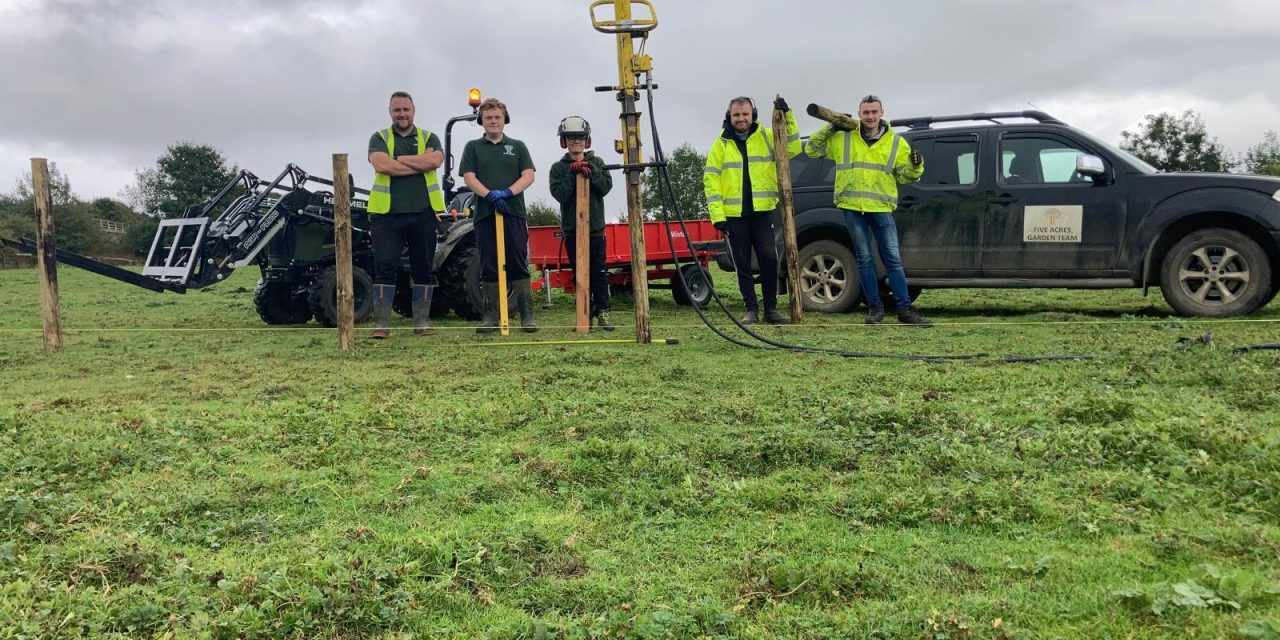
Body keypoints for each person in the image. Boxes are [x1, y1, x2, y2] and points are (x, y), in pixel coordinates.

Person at [805, 94, 931, 326]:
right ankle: (875, 308)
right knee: (864, 259)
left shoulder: (896, 143)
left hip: (881, 207)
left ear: (882, 113)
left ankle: (904, 309)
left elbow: (906, 176)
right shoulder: (844, 138)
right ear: (860, 113)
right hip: (852, 207)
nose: (870, 116)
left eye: (874, 112)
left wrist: (916, 164)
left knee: (892, 259)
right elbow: (812, 149)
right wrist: (831, 127)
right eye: (866, 112)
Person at [703, 96, 801, 325]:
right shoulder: (721, 144)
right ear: (730, 116)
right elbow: (711, 179)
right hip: (734, 215)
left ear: (753, 114)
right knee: (743, 264)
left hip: (762, 211)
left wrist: (788, 117)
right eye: (736, 115)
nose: (741, 119)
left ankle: (771, 309)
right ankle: (751, 310)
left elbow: (793, 148)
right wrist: (717, 215)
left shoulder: (767, 136)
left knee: (768, 259)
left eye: (745, 114)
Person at [366, 90, 445, 339]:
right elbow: (382, 165)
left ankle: (421, 323)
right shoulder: (378, 138)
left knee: (423, 268)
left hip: (423, 213)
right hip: (387, 215)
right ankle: (382, 325)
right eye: (397, 110)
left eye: (405, 109)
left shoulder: (428, 136)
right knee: (385, 266)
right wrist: (417, 162)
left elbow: (434, 162)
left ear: (413, 111)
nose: (402, 114)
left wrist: (399, 159)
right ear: (390, 112)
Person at [459, 97, 538, 333]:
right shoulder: (473, 147)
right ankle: (491, 317)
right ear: (482, 121)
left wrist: (507, 193)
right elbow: (469, 177)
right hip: (485, 214)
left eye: (497, 117)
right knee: (489, 264)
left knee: (517, 261)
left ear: (504, 120)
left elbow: (528, 175)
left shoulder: (518, 146)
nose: (493, 121)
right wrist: (490, 195)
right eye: (488, 118)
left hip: (513, 212)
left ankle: (527, 316)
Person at [549, 115, 615, 331]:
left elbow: (605, 187)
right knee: (579, 273)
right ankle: (583, 313)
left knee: (598, 272)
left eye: (580, 137)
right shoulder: (558, 169)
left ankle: (603, 312)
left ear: (587, 140)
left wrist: (591, 171)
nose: (575, 142)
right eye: (570, 138)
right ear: (563, 141)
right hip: (572, 230)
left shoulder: (598, 163)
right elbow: (560, 195)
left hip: (595, 230)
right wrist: (572, 173)